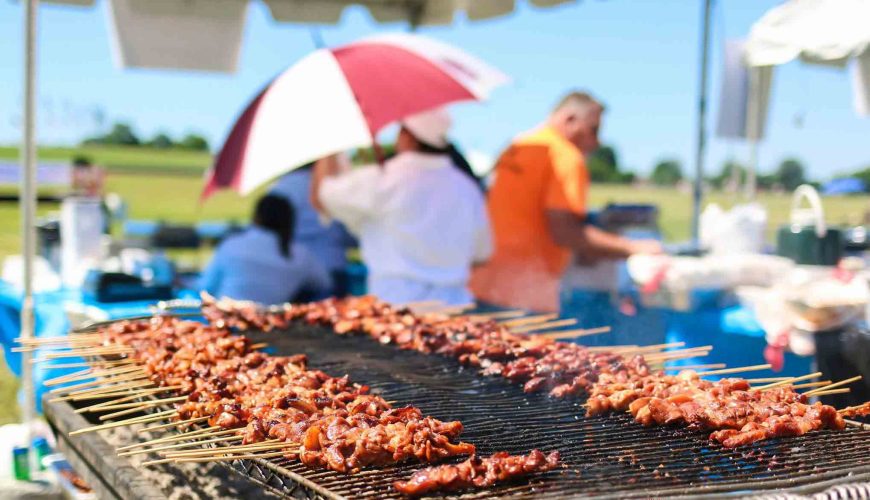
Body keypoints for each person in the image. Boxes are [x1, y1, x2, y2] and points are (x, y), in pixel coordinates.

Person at [470, 91, 662, 312]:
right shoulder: (566, 157)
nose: (597, 141)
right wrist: (634, 247)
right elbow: (565, 230)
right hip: (525, 293)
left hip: (482, 282)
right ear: (570, 119)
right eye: (593, 130)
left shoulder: (518, 145)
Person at [310, 107, 492, 305]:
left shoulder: (384, 179)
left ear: (408, 136)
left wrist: (329, 145)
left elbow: (321, 196)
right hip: (456, 304)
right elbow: (482, 254)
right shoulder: (467, 188)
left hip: (396, 305)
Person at [199, 194, 332, 304]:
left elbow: (206, 288)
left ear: (257, 216)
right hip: (274, 324)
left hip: (227, 320)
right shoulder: (301, 255)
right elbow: (325, 285)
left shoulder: (232, 245)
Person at [270, 163, 355, 296]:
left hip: (293, 269)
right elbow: (351, 233)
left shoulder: (280, 188)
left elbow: (269, 233)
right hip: (331, 264)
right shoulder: (334, 186)